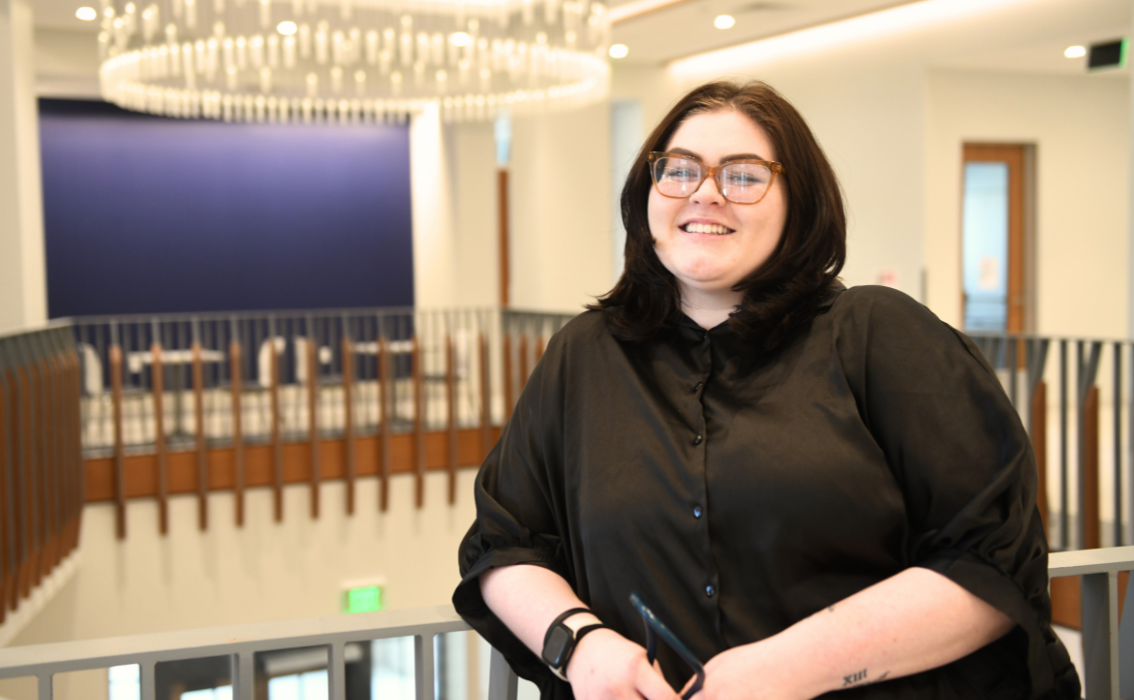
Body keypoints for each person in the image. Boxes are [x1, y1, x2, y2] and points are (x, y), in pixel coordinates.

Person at [452, 80, 1080, 700]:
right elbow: (505, 543)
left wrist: (782, 671)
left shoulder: (878, 335)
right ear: (648, 191)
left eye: (744, 176)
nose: (706, 195)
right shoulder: (583, 355)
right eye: (679, 171)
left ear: (798, 203)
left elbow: (991, 565)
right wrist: (579, 643)